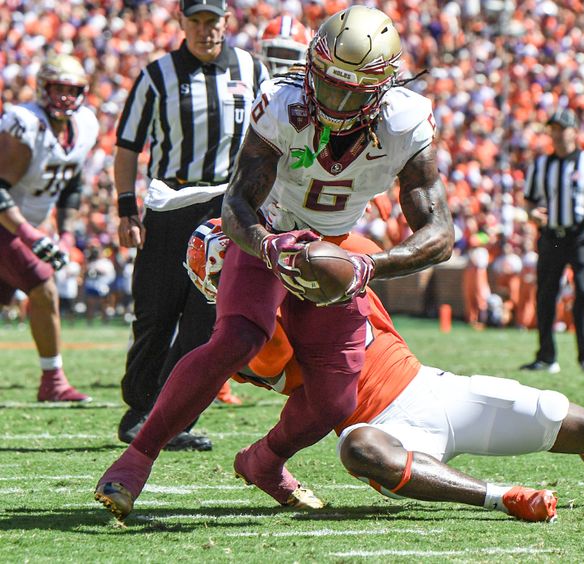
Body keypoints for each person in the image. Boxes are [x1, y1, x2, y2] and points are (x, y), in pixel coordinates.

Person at [95, 5, 453, 513]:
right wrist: (266, 245)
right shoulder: (283, 103)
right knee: (237, 338)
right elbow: (237, 201)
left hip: (334, 247)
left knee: (336, 400)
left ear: (382, 88)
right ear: (313, 66)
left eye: (355, 90)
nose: (338, 100)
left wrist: (369, 266)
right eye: (330, 84)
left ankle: (265, 460)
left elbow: (439, 232)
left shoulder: (406, 120)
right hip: (272, 230)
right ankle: (137, 457)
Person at [95, 232, 584, 522]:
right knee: (357, 447)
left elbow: (367, 242)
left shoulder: (327, 257)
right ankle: (500, 497)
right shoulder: (253, 341)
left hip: (432, 387)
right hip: (387, 431)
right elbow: (302, 386)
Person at [113, 0, 268, 448]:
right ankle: (140, 408)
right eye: (195, 21)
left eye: (212, 21)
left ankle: (175, 415)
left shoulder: (252, 69)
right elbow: (128, 146)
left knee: (206, 320)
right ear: (182, 23)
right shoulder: (156, 75)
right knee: (156, 312)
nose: (205, 30)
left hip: (228, 205)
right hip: (170, 204)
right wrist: (127, 209)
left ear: (226, 22)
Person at [0, 54, 97, 402]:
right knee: (44, 287)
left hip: (25, 224)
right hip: (8, 224)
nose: (65, 97)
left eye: (72, 89)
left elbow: (71, 185)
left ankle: (52, 380)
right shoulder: (24, 123)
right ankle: (53, 381)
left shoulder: (85, 125)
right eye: (58, 88)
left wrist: (67, 234)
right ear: (43, 88)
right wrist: (29, 234)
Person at [520, 109, 584, 374]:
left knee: (583, 292)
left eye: (562, 128)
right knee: (546, 294)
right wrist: (532, 213)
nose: (556, 134)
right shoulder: (541, 164)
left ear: (574, 131)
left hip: (582, 235)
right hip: (552, 236)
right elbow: (529, 200)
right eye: (553, 129)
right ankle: (546, 356)